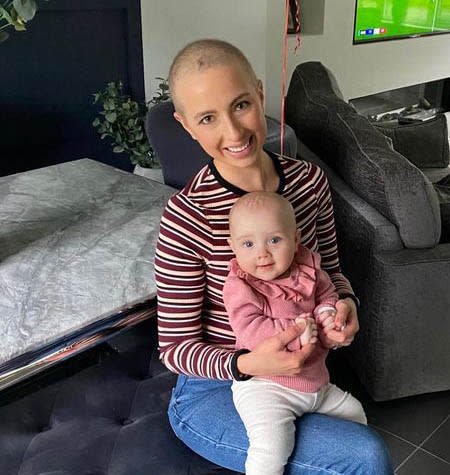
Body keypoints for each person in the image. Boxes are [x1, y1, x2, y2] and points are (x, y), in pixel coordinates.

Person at [155, 38, 393, 474]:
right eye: (208, 118)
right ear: (186, 125)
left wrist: (346, 307)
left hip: (301, 374)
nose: (234, 132)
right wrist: (247, 363)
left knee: (361, 435)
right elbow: (173, 349)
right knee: (366, 456)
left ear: (260, 93)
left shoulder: (309, 182)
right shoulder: (186, 216)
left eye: (241, 105)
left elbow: (332, 272)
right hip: (215, 387)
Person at [224, 191, 367, 474]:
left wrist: (329, 316)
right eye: (248, 244)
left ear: (296, 239)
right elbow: (248, 328)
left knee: (355, 414)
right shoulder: (241, 285)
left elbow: (327, 294)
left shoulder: (310, 270)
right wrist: (297, 332)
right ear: (233, 247)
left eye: (274, 240)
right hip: (266, 388)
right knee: (270, 450)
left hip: (316, 385)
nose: (262, 253)